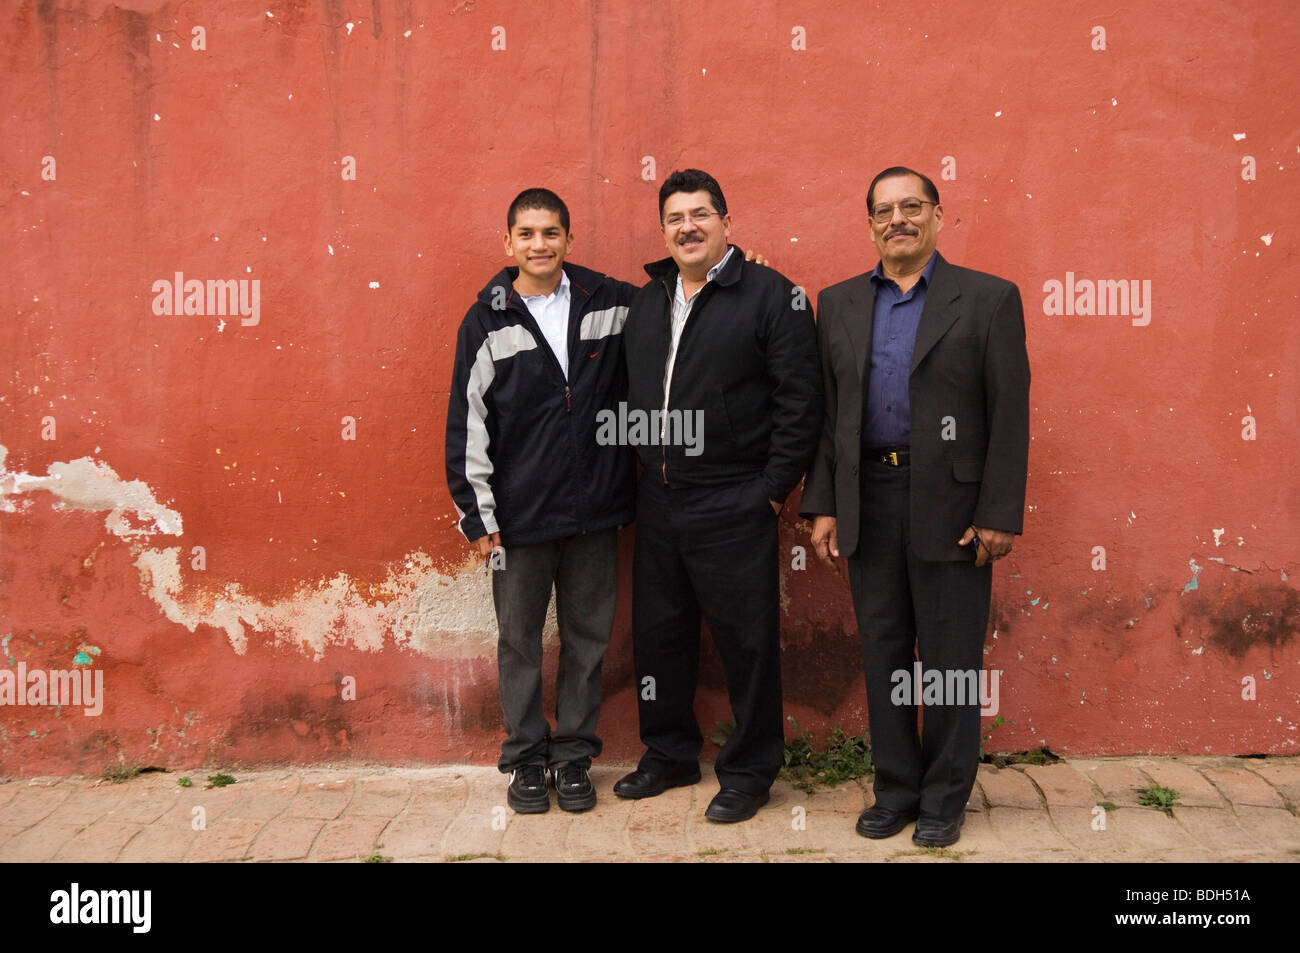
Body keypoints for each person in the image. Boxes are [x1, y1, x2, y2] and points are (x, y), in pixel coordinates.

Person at [800, 167, 1030, 846]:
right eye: (883, 210)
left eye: (910, 206)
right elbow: (829, 414)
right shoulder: (838, 302)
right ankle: (895, 788)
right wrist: (824, 502)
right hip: (867, 495)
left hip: (952, 505)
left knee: (952, 656)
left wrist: (999, 511)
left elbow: (1009, 415)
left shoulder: (987, 299)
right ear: (869, 221)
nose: (896, 219)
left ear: (937, 213)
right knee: (884, 651)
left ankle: (945, 795)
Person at [614, 169, 824, 822]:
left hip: (735, 499)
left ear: (727, 222)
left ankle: (753, 769)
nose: (688, 227)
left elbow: (801, 401)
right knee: (660, 635)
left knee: (748, 644)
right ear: (664, 229)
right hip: (662, 501)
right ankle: (670, 751)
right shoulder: (648, 300)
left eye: (700, 214)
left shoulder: (773, 295)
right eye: (675, 217)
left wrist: (768, 493)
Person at [445, 188, 637, 814]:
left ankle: (575, 757)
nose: (539, 245)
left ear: (568, 241)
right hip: (520, 519)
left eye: (551, 233)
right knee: (520, 641)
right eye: (526, 234)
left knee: (588, 638)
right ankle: (527, 760)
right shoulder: (487, 319)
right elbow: (466, 421)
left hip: (595, 513)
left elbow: (675, 318)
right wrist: (478, 515)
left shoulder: (606, 300)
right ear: (509, 244)